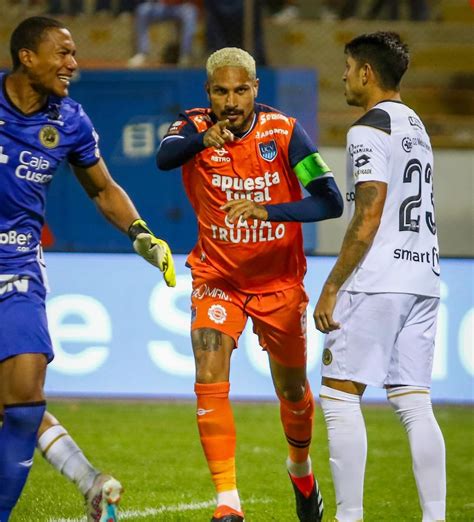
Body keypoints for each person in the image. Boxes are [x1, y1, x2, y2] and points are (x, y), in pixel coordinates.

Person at [0, 16, 176, 521]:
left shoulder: (70, 120)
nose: (72, 64)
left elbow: (101, 188)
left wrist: (141, 233)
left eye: (74, 53)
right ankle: (87, 479)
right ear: (26, 56)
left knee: (26, 399)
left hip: (17, 268)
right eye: (62, 53)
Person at [157, 47, 343, 522]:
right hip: (218, 278)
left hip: (278, 283)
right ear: (209, 93)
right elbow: (164, 157)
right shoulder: (193, 126)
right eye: (222, 91)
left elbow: (330, 201)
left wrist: (269, 211)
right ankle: (228, 503)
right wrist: (202, 142)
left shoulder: (283, 133)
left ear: (256, 89)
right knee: (208, 368)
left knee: (294, 391)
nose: (232, 100)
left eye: (241, 89)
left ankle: (300, 470)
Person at [313, 31, 446, 522]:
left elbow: (368, 214)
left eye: (348, 67)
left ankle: (349, 517)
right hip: (423, 276)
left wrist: (331, 286)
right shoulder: (416, 125)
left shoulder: (367, 129)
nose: (344, 76)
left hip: (378, 279)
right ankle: (436, 516)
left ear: (366, 72)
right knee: (414, 402)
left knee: (339, 396)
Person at [128, 0, 199, 68]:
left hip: (180, 6)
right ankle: (142, 53)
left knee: (191, 12)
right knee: (142, 11)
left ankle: (185, 55)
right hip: (161, 6)